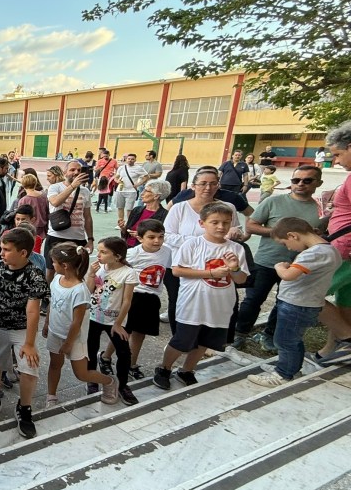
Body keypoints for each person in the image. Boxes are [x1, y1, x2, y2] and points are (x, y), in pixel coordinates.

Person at [154, 202, 249, 390]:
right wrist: (211, 273)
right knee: (182, 340)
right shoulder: (192, 244)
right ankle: (164, 368)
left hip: (220, 305)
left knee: (207, 340)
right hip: (193, 303)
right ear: (202, 223)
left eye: (226, 222)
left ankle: (187, 370)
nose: (221, 227)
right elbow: (177, 270)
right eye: (215, 222)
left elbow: (241, 279)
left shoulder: (236, 249)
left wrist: (234, 268)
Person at [234, 165, 324, 350]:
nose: (300, 184)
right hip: (266, 261)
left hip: (298, 265)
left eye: (307, 180)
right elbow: (251, 226)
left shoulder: (320, 209)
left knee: (284, 303)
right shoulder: (273, 201)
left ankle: (269, 335)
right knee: (253, 300)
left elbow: (320, 235)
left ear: (318, 183)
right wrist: (284, 234)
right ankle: (239, 333)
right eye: (296, 180)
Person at [249, 217, 340, 387]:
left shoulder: (314, 253)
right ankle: (291, 368)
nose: (288, 248)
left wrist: (280, 267)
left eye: (285, 243)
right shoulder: (328, 250)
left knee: (285, 340)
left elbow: (288, 275)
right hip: (303, 303)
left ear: (293, 235)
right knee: (291, 339)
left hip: (297, 304)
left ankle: (283, 374)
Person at [0, 228, 51, 432]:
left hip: (22, 329)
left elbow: (33, 311)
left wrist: (29, 343)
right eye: (2, 248)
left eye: (7, 249)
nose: (1, 253)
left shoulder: (35, 275)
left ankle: (24, 408)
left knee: (29, 367)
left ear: (23, 253)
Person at [44, 242, 118, 407]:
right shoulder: (56, 279)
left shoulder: (79, 290)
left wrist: (68, 343)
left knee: (81, 374)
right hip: (55, 332)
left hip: (74, 339)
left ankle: (110, 381)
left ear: (64, 265)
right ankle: (51, 395)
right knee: (54, 365)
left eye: (54, 262)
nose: (52, 265)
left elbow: (77, 321)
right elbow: (52, 303)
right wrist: (47, 322)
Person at [87, 237, 135, 405]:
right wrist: (91, 274)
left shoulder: (128, 273)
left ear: (117, 256)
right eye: (98, 251)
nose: (98, 255)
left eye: (103, 252)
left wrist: (118, 324)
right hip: (93, 317)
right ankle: (91, 379)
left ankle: (122, 385)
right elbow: (89, 290)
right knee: (90, 350)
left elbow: (127, 301)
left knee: (124, 352)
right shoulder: (99, 268)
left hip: (114, 320)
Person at [318, 123, 351, 365]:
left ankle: (347, 340)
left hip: (345, 251)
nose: (336, 161)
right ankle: (331, 350)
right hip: (343, 247)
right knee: (346, 302)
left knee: (305, 292)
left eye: (338, 154)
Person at [122, 219, 171, 380]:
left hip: (152, 298)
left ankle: (131, 364)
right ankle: (106, 356)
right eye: (151, 237)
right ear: (140, 238)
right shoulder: (132, 253)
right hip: (134, 295)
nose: (157, 240)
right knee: (123, 332)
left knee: (140, 334)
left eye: (161, 236)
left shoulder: (167, 252)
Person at [45, 161, 94, 280]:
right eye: (72, 170)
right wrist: (73, 186)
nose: (76, 172)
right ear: (65, 172)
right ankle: (48, 291)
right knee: (51, 269)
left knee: (77, 270)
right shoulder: (55, 187)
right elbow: (55, 202)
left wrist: (90, 239)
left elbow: (87, 216)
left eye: (79, 170)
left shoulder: (85, 191)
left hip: (77, 238)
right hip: (56, 236)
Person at [120, 180, 171, 248]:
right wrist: (123, 228)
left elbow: (163, 238)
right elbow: (126, 234)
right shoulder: (136, 210)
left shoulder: (165, 215)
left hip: (145, 250)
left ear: (156, 196)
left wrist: (142, 235)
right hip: (126, 247)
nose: (142, 193)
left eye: (146, 191)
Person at [114, 153, 148, 222]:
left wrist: (138, 184)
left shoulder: (138, 168)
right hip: (120, 190)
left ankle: (129, 223)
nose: (130, 160)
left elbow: (146, 176)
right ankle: (121, 222)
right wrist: (117, 181)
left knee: (129, 209)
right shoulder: (121, 168)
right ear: (126, 159)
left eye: (132, 159)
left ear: (135, 160)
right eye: (129, 159)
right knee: (120, 207)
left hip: (131, 191)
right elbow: (116, 177)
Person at [15, 173, 48, 239]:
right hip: (43, 227)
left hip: (29, 229)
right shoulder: (44, 195)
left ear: (23, 184)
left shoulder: (23, 200)